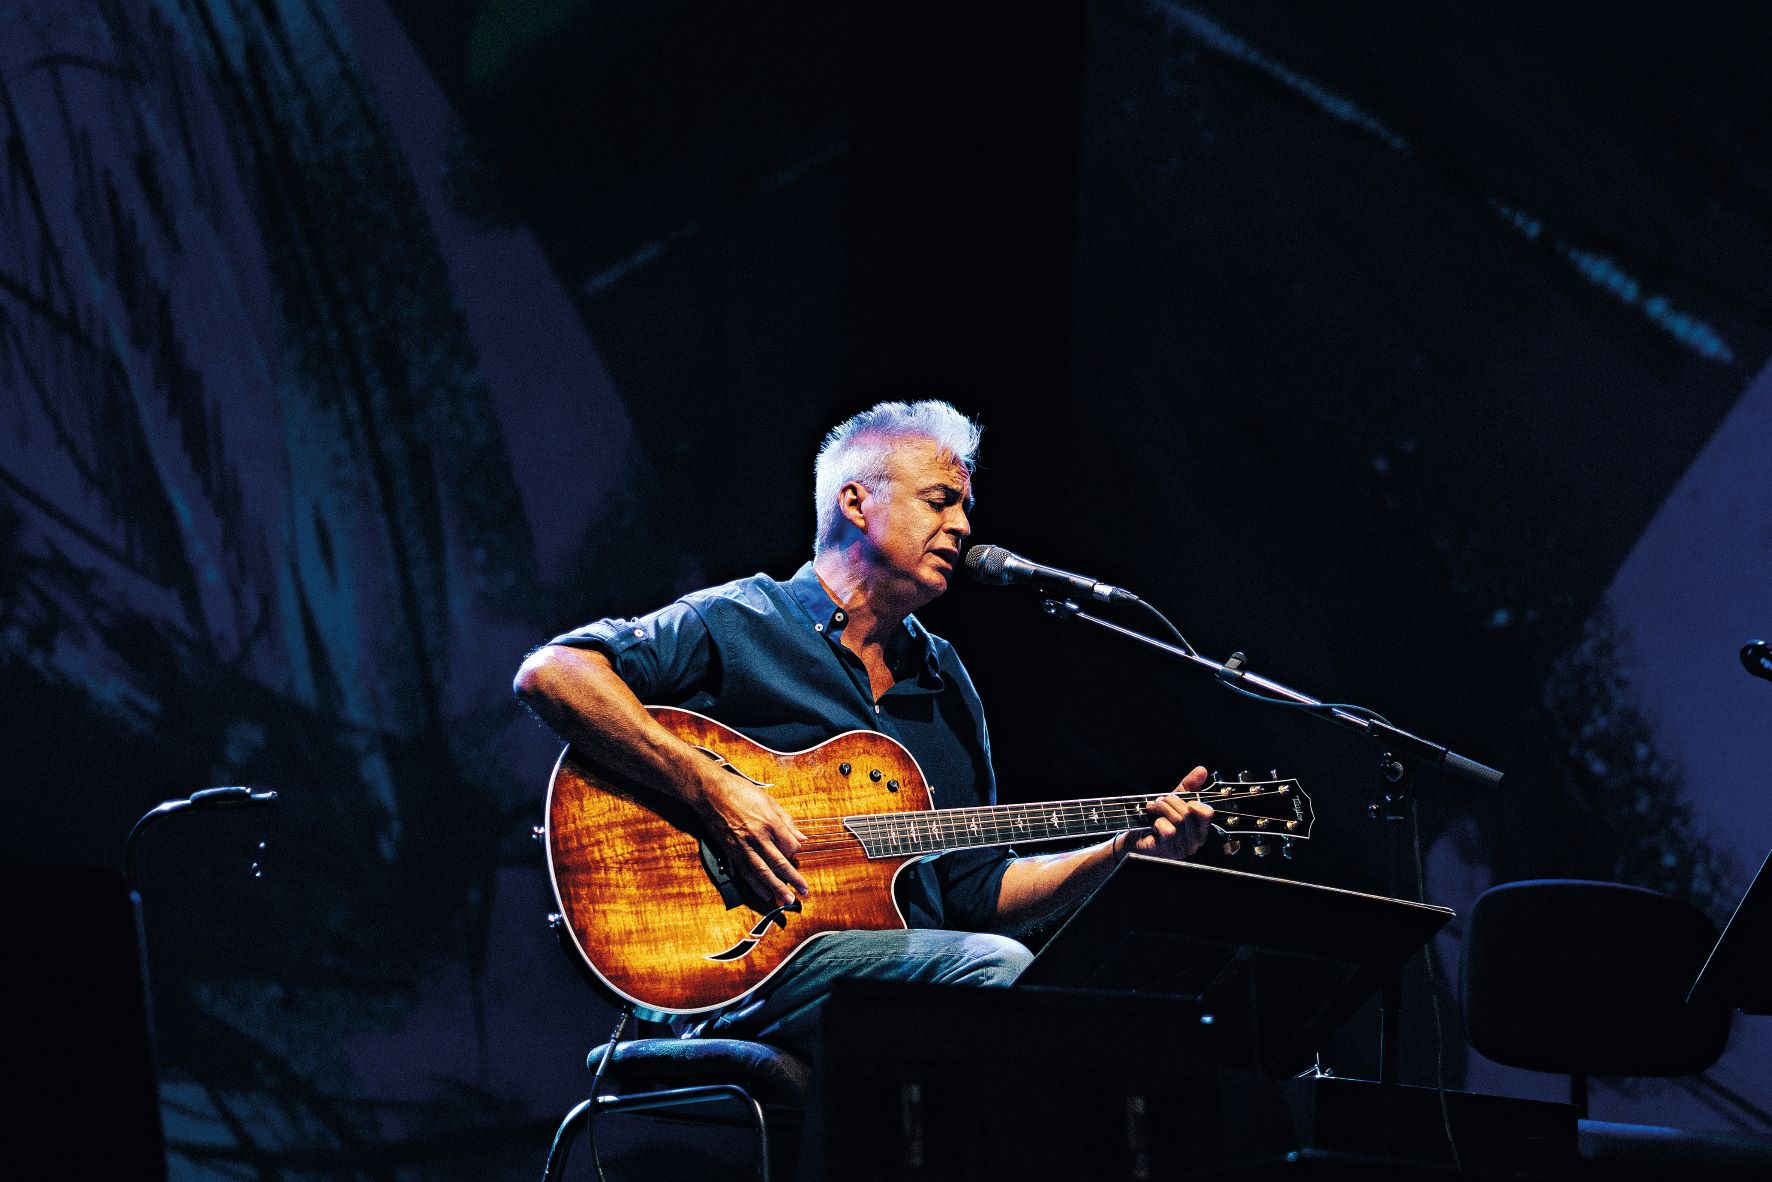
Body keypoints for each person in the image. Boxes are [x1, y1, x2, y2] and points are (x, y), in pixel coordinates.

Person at [513, 400, 1215, 1059]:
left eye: (966, 509)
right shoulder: (741, 620)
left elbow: (977, 894)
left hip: (895, 979)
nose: (965, 527)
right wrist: (712, 790)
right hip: (736, 970)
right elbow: (554, 673)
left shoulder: (944, 682)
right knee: (995, 976)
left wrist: (1120, 854)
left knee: (1115, 1014)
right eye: (940, 502)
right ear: (856, 502)